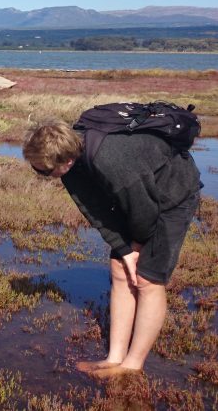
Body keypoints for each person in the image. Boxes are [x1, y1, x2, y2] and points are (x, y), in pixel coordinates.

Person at [24, 119, 200, 378]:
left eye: (43, 172)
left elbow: (145, 212)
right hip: (138, 195)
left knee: (148, 279)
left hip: (171, 196)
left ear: (65, 162)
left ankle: (132, 366)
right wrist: (123, 249)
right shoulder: (73, 162)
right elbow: (93, 208)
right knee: (119, 269)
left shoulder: (111, 161)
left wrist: (137, 246)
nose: (42, 175)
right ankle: (114, 358)